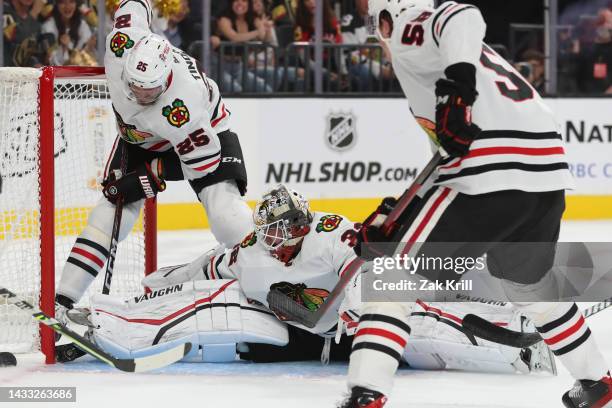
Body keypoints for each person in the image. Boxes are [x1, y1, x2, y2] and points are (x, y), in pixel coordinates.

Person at [338, 1, 611, 407]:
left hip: (491, 174)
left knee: (393, 280)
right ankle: (596, 382)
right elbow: (450, 153)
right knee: (532, 289)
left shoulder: (409, 27)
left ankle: (367, 393)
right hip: (545, 175)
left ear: (386, 14)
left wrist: (458, 88)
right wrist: (399, 217)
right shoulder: (448, 60)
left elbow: (461, 14)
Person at [69, 185, 554, 377]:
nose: (278, 238)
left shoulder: (328, 233)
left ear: (303, 222)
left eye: (286, 228)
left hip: (352, 328)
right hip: (294, 331)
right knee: (208, 300)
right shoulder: (253, 253)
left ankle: (520, 336)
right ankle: (109, 324)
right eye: (272, 230)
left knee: (416, 314)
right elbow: (205, 267)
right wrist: (157, 284)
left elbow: (377, 264)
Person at [55, 0, 252, 331]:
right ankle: (61, 303)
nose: (137, 95)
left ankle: (267, 282)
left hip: (206, 139)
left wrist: (148, 178)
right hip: (139, 139)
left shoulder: (183, 107)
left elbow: (201, 164)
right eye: (133, 86)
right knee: (106, 217)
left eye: (148, 92)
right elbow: (136, 4)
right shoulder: (121, 43)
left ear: (165, 80)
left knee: (227, 219)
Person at [216, 0, 274, 92]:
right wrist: (257, 31)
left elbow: (265, 40)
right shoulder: (224, 19)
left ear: (249, 4)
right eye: (236, 0)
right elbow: (234, 37)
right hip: (220, 66)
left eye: (244, 1)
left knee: (266, 90)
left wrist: (267, 30)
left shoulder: (253, 18)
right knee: (236, 91)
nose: (239, 3)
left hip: (239, 67)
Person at [41, 0, 97, 66]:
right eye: (62, 2)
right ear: (56, 5)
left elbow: (85, 58)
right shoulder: (48, 26)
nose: (67, 6)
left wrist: (88, 48)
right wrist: (64, 48)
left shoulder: (82, 24)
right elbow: (50, 61)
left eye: (71, 1)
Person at [2, 0, 46, 66]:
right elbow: (18, 37)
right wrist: (34, 13)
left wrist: (35, 63)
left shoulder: (33, 19)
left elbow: (29, 49)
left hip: (19, 72)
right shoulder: (4, 10)